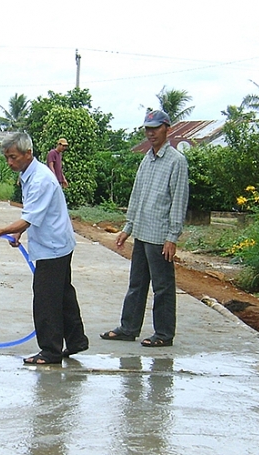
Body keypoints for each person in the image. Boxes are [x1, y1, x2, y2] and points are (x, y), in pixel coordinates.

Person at [0, 132, 89, 365]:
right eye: (7, 158)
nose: (10, 162)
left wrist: (1, 231)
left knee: (46, 299)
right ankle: (76, 340)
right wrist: (18, 231)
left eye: (13, 157)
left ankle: (50, 351)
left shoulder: (41, 179)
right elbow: (31, 213)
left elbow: (29, 217)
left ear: (28, 153)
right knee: (62, 294)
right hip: (57, 241)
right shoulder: (29, 174)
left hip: (53, 246)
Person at [100, 110, 189, 347]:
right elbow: (137, 195)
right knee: (137, 284)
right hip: (141, 232)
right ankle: (128, 328)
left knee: (162, 288)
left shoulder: (176, 162)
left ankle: (163, 334)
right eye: (148, 129)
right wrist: (127, 228)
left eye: (155, 129)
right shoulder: (147, 159)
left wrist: (172, 237)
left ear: (167, 129)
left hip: (160, 236)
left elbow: (179, 200)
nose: (151, 133)